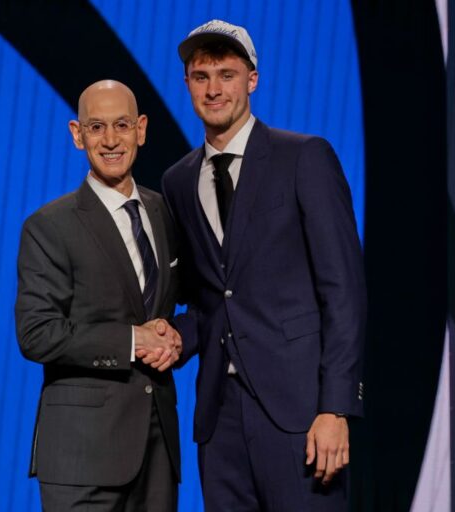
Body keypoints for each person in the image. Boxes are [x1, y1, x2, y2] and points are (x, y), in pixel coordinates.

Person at [162, 20, 367, 511]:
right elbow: (209, 300)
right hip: (220, 418)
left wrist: (335, 407)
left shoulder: (304, 157)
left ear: (252, 79)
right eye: (201, 75)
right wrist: (171, 337)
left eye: (227, 74)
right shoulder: (178, 181)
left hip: (300, 412)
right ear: (188, 83)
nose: (214, 89)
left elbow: (344, 290)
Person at [15, 80, 183, 512]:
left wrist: (175, 336)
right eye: (96, 127)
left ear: (141, 129)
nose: (110, 140)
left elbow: (181, 304)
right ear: (77, 134)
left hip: (157, 453)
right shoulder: (50, 225)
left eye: (122, 125)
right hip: (81, 456)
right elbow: (37, 333)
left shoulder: (163, 212)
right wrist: (133, 341)